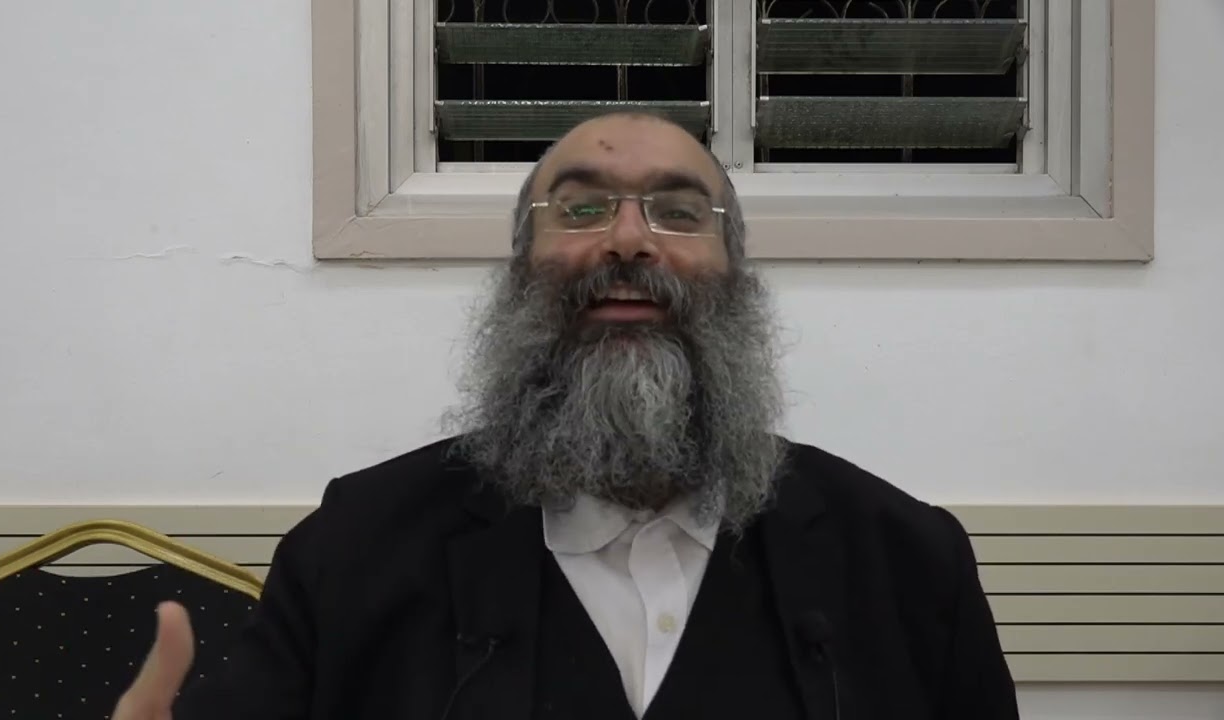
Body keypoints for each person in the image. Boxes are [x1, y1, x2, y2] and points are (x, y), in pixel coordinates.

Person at [113, 112, 1019, 720]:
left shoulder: (906, 559)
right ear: (520, 274)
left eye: (678, 212)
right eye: (581, 207)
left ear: (737, 279)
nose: (628, 239)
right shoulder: (354, 547)